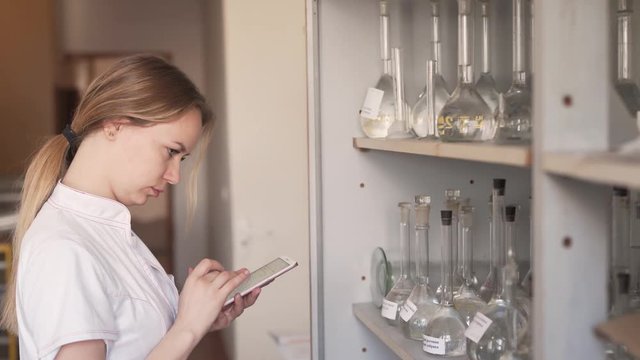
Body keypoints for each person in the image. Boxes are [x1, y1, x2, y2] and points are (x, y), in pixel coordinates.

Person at [0, 55, 260, 359]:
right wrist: (186, 328)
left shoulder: (106, 231)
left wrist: (195, 317)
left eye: (182, 159)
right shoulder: (65, 248)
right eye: (171, 151)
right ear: (114, 126)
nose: (175, 176)